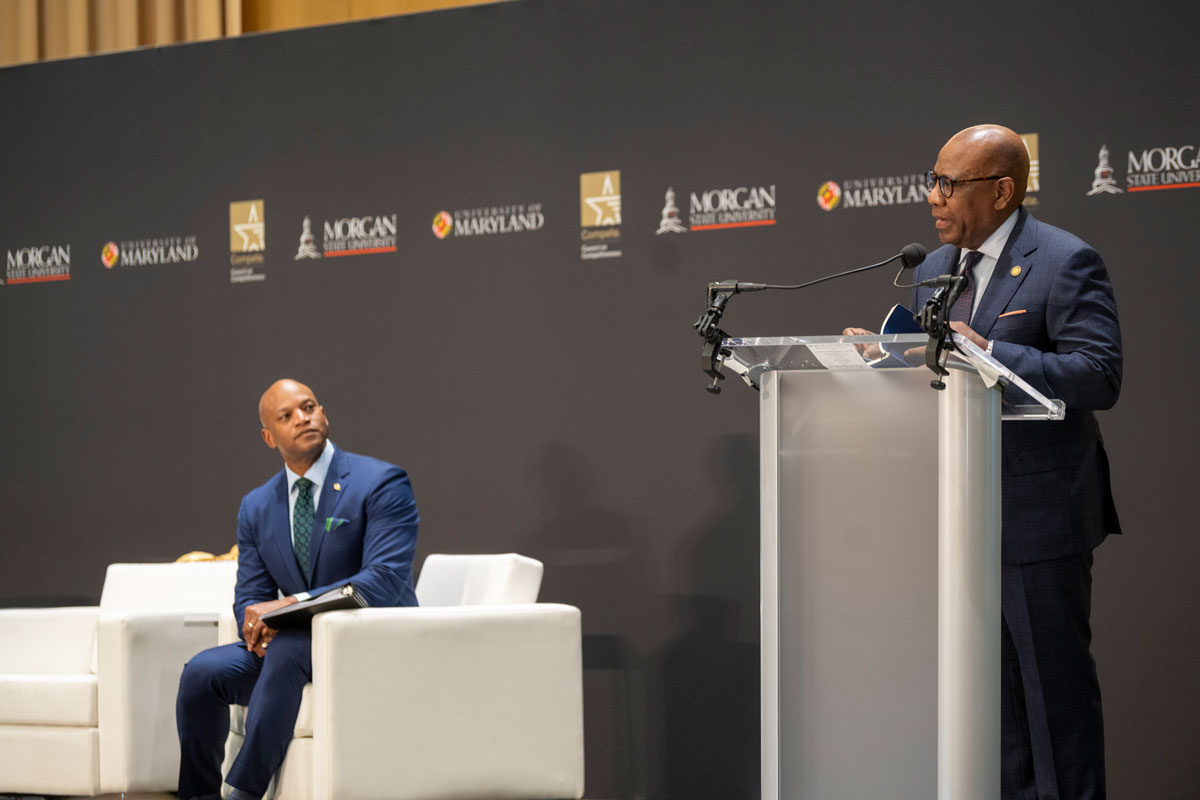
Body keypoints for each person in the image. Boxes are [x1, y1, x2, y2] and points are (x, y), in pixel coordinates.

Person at [845, 124, 1121, 799]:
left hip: (1037, 517)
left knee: (1052, 704)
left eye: (949, 183)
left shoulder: (1064, 259)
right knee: (992, 715)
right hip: (956, 513)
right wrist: (885, 364)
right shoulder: (936, 266)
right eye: (933, 179)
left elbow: (1098, 374)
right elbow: (938, 377)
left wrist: (991, 353)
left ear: (1001, 191)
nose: (933, 196)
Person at [175, 379, 419, 800]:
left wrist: (293, 605)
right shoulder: (256, 505)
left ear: (323, 413)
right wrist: (257, 625)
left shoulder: (380, 482)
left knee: (290, 646)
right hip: (295, 650)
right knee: (202, 672)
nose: (302, 418)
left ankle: (244, 792)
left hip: (370, 641)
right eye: (286, 416)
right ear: (269, 437)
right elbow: (250, 595)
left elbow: (384, 580)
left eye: (308, 408)